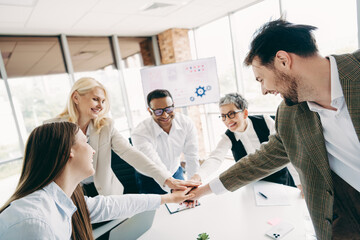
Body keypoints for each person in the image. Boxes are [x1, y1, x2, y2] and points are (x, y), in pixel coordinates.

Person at [188, 19, 360, 240]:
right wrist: (202, 191)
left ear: (283, 60)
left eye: (261, 79)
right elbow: (260, 161)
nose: (264, 90)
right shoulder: (290, 115)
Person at [0, 122, 195, 239]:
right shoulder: (35, 223)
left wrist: (169, 198)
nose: (93, 150)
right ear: (69, 151)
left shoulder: (63, 199)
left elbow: (110, 205)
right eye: (86, 142)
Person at [45, 78, 199, 197]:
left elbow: (131, 153)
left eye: (103, 101)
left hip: (105, 192)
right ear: (76, 97)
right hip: (71, 193)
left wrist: (167, 179)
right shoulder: (52, 128)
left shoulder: (106, 126)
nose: (100, 105)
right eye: (95, 99)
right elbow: (45, 169)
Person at [191, 92, 298, 188]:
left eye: (231, 114)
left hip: (281, 181)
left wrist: (299, 182)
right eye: (223, 116)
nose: (227, 120)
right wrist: (197, 177)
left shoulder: (265, 121)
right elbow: (215, 159)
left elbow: (286, 150)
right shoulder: (228, 137)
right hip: (252, 185)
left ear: (245, 113)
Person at [131, 89, 200, 194]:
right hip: (149, 177)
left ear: (173, 105)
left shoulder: (186, 123)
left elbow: (192, 155)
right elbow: (154, 163)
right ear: (150, 111)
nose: (165, 115)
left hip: (175, 171)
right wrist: (173, 189)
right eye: (158, 111)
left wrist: (193, 185)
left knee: (185, 202)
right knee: (158, 209)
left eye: (168, 109)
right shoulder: (140, 133)